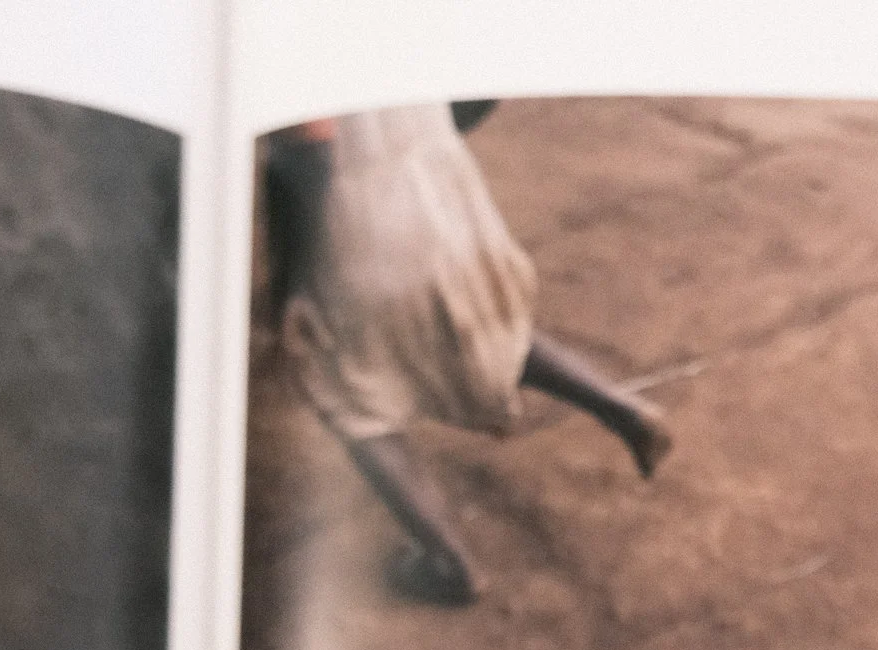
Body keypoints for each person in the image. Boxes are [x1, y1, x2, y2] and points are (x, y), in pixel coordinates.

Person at [260, 101, 671, 606]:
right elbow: (478, 95)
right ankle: (624, 410)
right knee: (483, 332)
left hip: (358, 216)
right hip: (442, 191)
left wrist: (299, 280)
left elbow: (312, 147)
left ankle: (451, 563)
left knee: (351, 398)